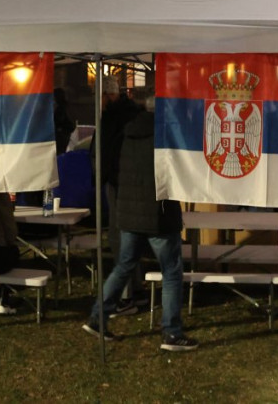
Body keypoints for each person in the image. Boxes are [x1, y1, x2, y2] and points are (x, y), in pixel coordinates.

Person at [82, 96, 198, 351]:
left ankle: (98, 317)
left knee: (123, 266)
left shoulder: (125, 133)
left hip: (128, 214)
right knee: (171, 272)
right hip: (159, 215)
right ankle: (171, 332)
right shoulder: (165, 137)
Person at [90, 75, 143, 314]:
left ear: (108, 95)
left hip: (119, 183)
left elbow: (106, 152)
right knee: (128, 236)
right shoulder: (130, 114)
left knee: (120, 238)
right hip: (128, 183)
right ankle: (136, 290)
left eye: (99, 97)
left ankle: (125, 295)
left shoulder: (113, 117)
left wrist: (101, 175)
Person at [53, 87, 76, 155]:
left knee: (60, 153)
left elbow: (58, 121)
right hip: (66, 134)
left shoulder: (61, 109)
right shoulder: (67, 106)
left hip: (61, 135)